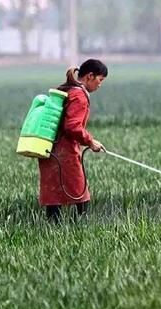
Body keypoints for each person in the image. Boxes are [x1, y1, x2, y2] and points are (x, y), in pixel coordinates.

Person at [38, 59, 107, 223]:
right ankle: (82, 228)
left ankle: (52, 231)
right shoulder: (80, 96)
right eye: (100, 80)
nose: (100, 85)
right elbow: (72, 126)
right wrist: (90, 142)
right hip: (64, 153)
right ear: (90, 76)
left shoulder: (68, 90)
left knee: (54, 195)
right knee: (80, 193)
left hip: (49, 149)